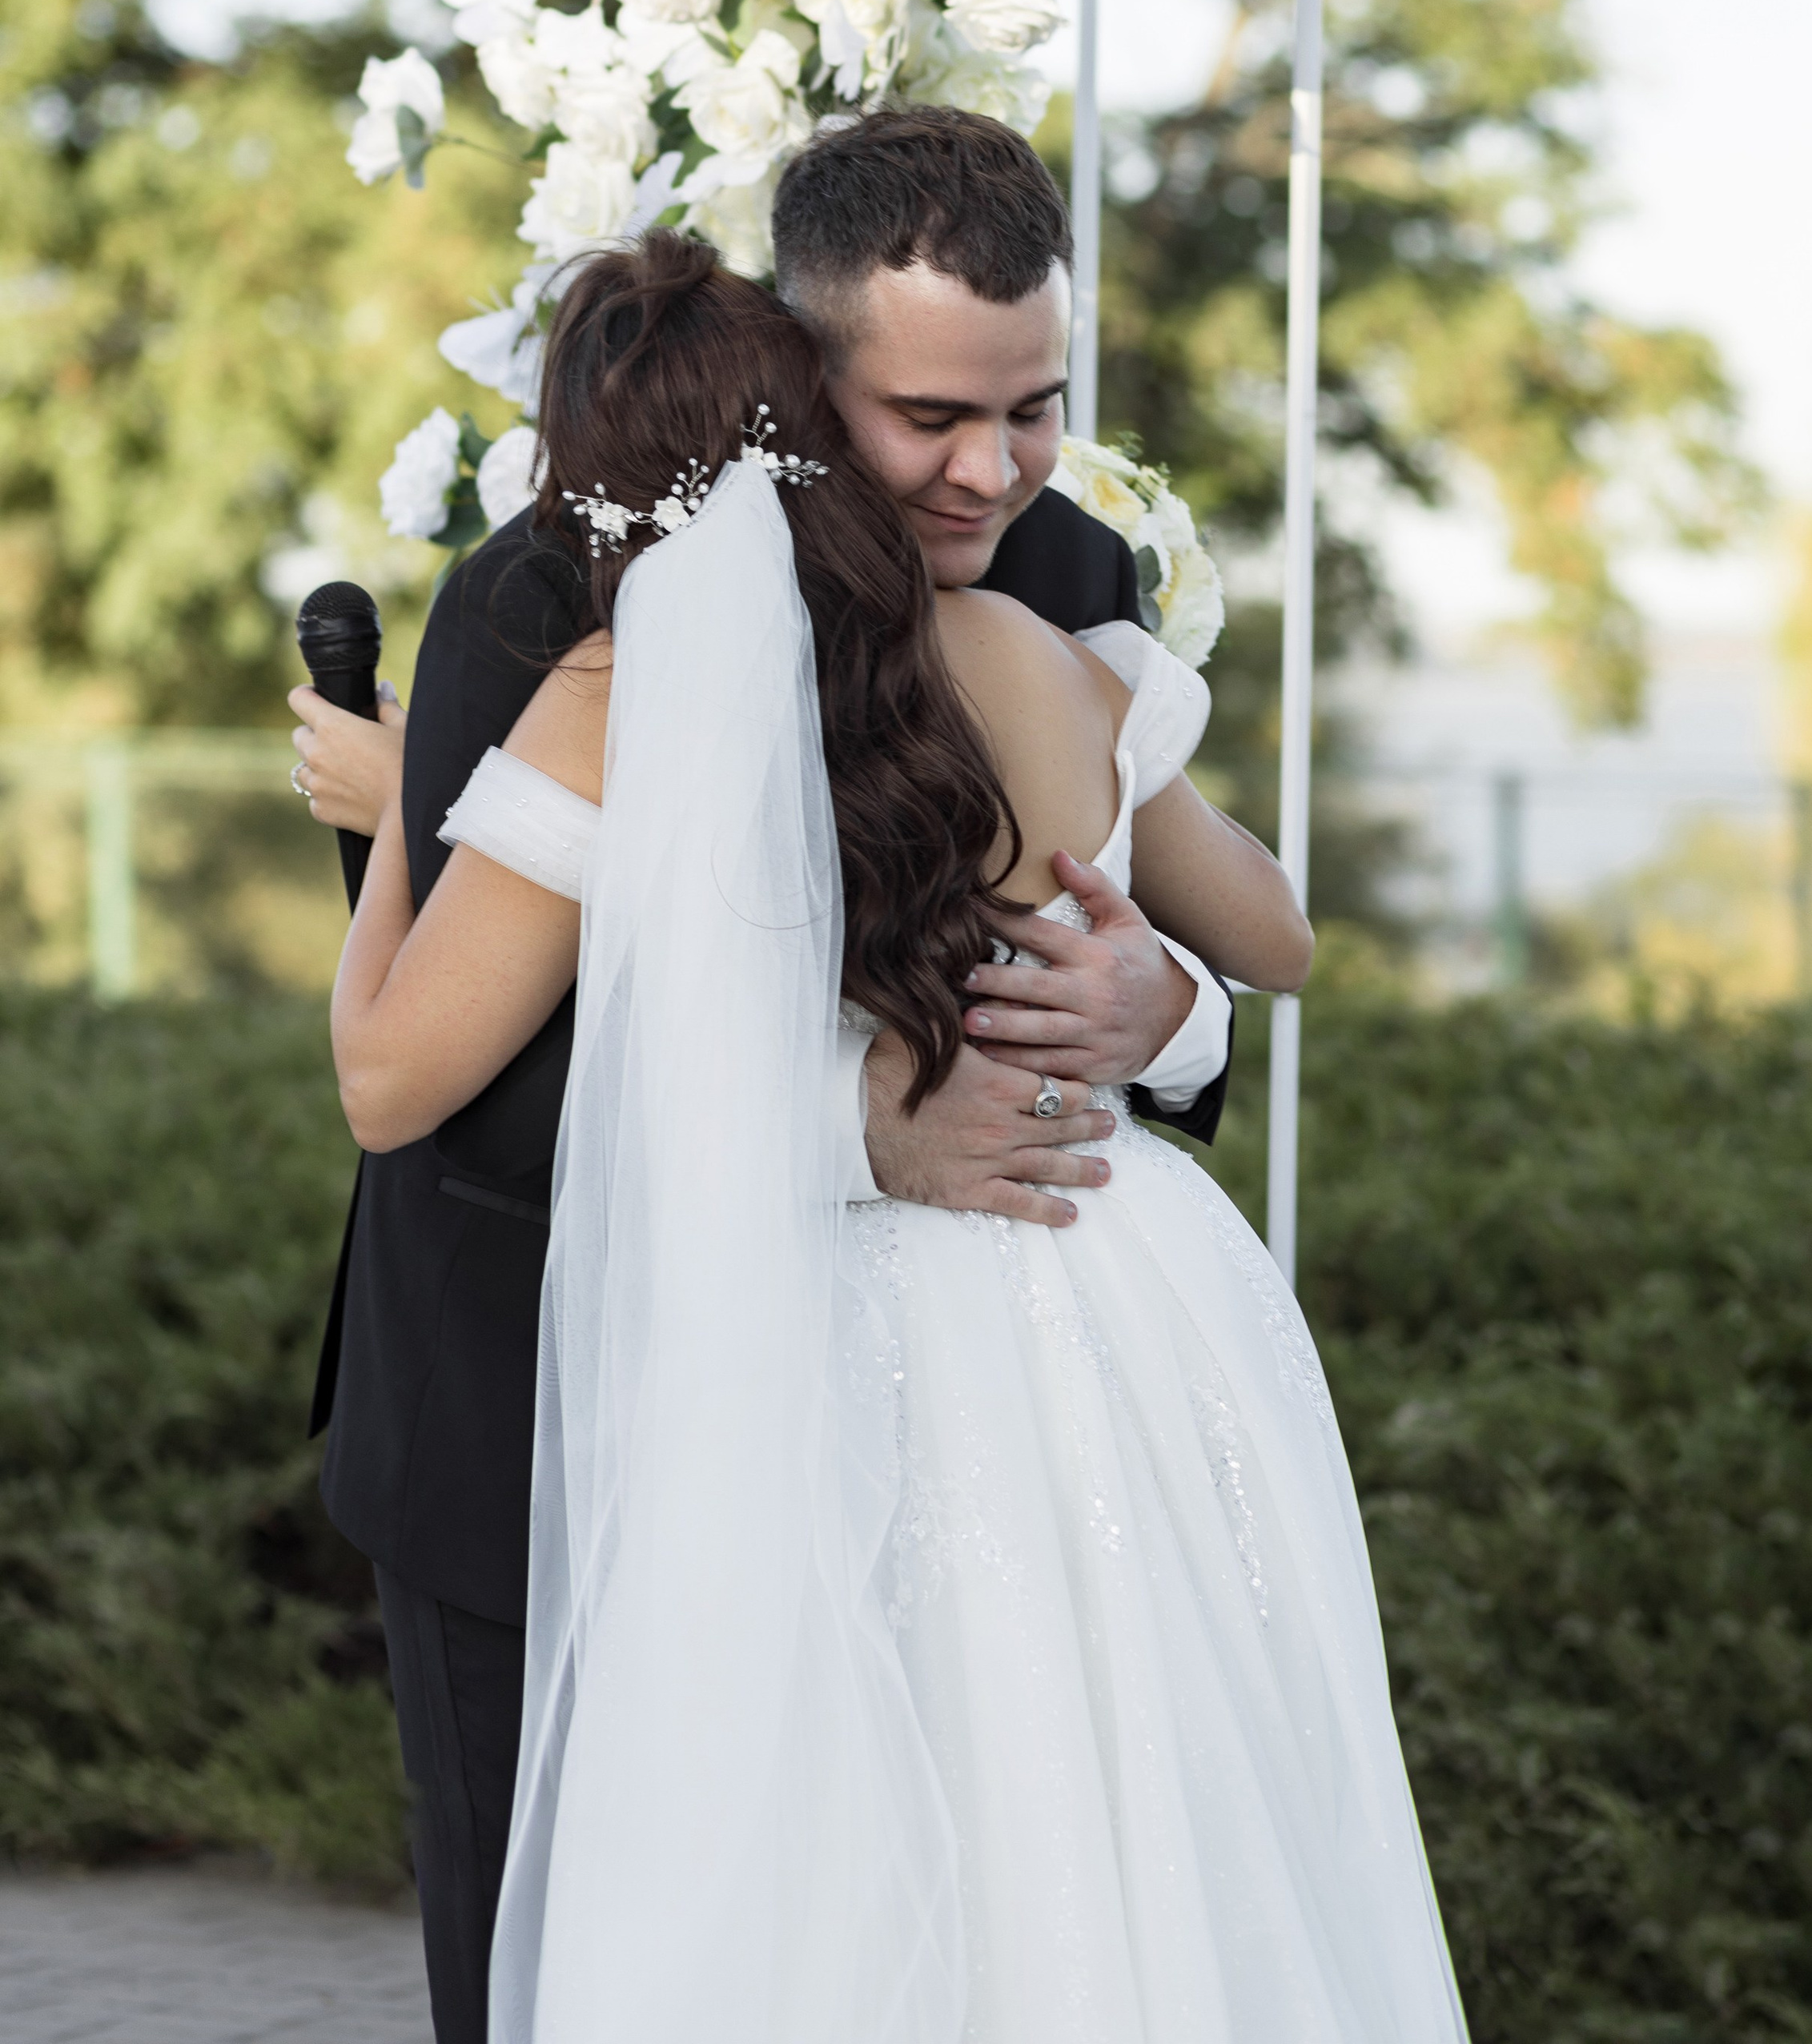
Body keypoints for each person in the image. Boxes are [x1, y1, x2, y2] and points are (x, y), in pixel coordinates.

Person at [304, 226, 1467, 2043]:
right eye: (932, 417)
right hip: (1103, 1312)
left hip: (825, 1354)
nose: (992, 471)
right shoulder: (1012, 643)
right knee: (1104, 1852)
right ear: (812, 384)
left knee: (826, 1893)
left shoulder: (630, 676)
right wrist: (890, 1099)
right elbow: (1273, 922)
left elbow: (396, 1075)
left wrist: (1162, 1004)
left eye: (1032, 410)